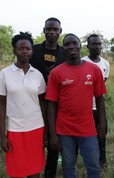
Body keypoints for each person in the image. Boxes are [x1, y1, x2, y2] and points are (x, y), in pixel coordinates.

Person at [45, 33, 107, 178]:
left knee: (93, 166)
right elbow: (51, 104)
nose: (71, 47)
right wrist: (53, 134)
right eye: (67, 44)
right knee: (68, 166)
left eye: (74, 43)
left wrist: (102, 124)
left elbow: (100, 99)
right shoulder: (56, 72)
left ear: (80, 46)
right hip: (65, 129)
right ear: (63, 48)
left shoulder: (94, 70)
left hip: (88, 128)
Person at [0, 32, 47, 178]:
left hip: (36, 128)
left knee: (34, 170)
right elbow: (1, 106)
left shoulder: (37, 74)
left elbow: (42, 103)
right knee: (17, 170)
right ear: (14, 51)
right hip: (15, 129)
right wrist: (2, 135)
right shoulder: (4, 74)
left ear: (32, 51)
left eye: (28, 48)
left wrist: (47, 130)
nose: (25, 51)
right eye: (21, 48)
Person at [29, 17, 65, 178]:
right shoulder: (33, 51)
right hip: (33, 104)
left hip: (58, 104)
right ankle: (32, 170)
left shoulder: (65, 53)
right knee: (35, 140)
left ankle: (50, 173)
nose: (51, 32)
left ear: (60, 31)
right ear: (44, 31)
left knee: (53, 139)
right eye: (48, 29)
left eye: (55, 29)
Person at [81, 34, 110, 167]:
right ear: (88, 46)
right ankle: (86, 160)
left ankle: (102, 161)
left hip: (99, 107)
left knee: (101, 134)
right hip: (85, 107)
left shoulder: (105, 64)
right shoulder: (82, 62)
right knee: (85, 136)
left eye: (99, 44)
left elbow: (102, 86)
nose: (97, 46)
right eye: (93, 44)